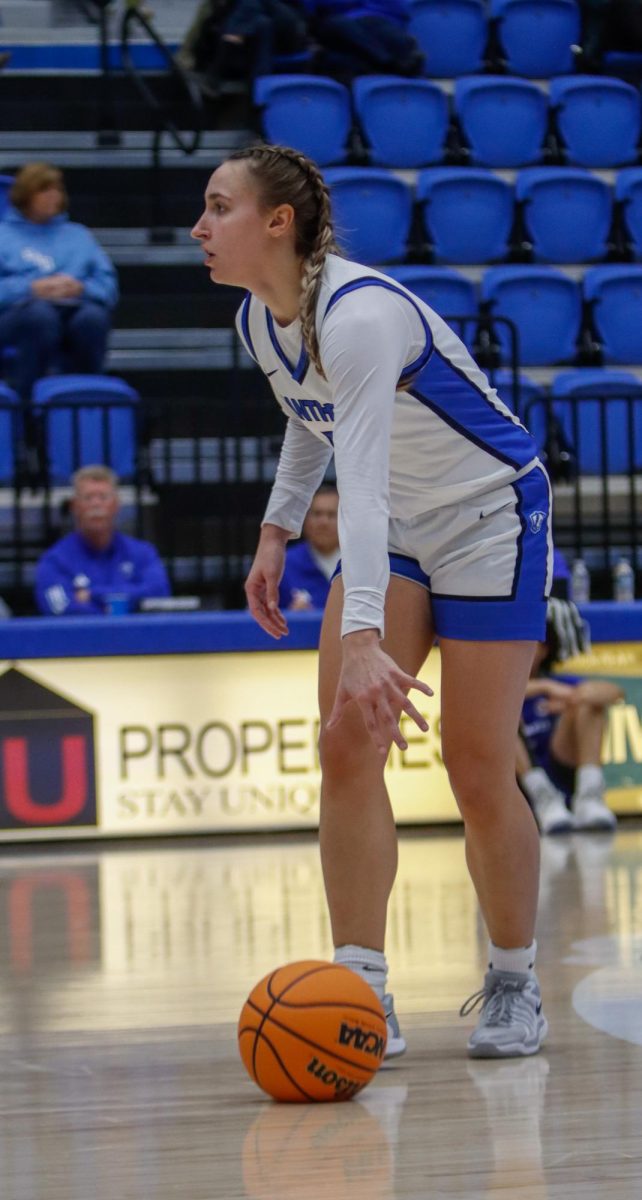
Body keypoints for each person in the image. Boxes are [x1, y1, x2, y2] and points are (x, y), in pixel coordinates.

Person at [191, 143, 553, 1060]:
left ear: (278, 223)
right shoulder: (257, 320)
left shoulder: (360, 315)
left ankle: (514, 980)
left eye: (217, 207)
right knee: (346, 739)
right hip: (391, 529)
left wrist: (361, 637)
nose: (198, 227)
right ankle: (362, 989)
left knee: (475, 765)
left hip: (486, 517)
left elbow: (363, 481)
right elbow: (309, 427)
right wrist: (275, 531)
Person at [0, 162, 118, 403]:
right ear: (26, 195)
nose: (54, 196)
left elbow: (108, 286)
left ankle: (85, 403)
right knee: (40, 317)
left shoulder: (79, 236)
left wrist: (82, 288)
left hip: (74, 308)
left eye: (57, 190)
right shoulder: (3, 236)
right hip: (17, 316)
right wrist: (31, 288)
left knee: (92, 319)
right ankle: (25, 407)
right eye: (45, 190)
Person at [517, 597, 622, 835]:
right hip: (519, 782)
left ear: (544, 649)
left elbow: (614, 692)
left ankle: (589, 796)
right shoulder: (503, 686)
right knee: (499, 716)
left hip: (560, 764)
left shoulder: (561, 683)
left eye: (529, 644)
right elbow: (492, 695)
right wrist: (543, 688)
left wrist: (575, 698)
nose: (520, 651)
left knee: (589, 702)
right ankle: (541, 796)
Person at [35, 464, 170, 616]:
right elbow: (58, 608)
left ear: (116, 504)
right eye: (88, 498)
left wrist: (93, 594)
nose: (96, 504)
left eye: (103, 497)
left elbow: (159, 592)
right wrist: (115, 613)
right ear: (74, 506)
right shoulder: (55, 560)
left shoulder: (143, 553)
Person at [176, 0, 310, 88]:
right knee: (262, 23)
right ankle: (258, 96)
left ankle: (220, 63)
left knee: (253, 7)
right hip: (257, 31)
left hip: (287, 29)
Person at [278, 483, 339, 611]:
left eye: (332, 515)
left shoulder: (360, 563)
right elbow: (258, 618)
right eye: (317, 514)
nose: (324, 522)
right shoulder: (282, 564)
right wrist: (291, 616)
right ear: (304, 519)